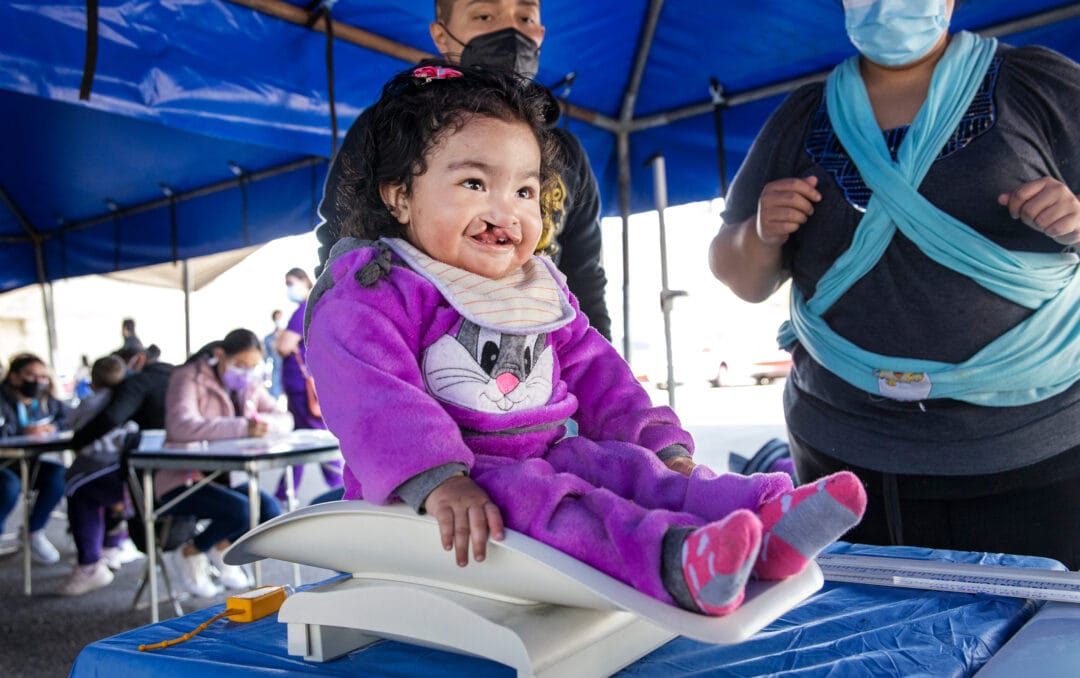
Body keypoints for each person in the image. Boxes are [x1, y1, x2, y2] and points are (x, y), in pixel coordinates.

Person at [305, 62, 865, 617]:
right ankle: (677, 560)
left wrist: (661, 445)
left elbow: (601, 375)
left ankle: (764, 518)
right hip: (454, 487)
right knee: (563, 506)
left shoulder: (536, 288)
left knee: (632, 470)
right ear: (400, 196)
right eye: (474, 182)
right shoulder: (376, 290)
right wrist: (440, 478)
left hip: (549, 453)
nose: (506, 209)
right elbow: (372, 396)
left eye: (525, 189)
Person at [709, 0, 1080, 568]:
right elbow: (741, 276)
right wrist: (760, 233)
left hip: (1036, 454)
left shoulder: (1036, 84)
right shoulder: (802, 115)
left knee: (1041, 645)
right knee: (867, 639)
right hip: (846, 457)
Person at [316, 0, 611, 342]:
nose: (510, 30)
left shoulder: (567, 153)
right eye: (485, 15)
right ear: (442, 37)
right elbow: (342, 238)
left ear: (540, 34)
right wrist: (345, 337)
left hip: (537, 355)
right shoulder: (393, 126)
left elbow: (584, 273)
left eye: (525, 17)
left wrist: (603, 368)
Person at [163, 329, 292, 596]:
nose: (246, 372)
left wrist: (264, 424)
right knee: (242, 510)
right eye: (241, 365)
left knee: (270, 512)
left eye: (253, 366)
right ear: (221, 355)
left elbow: (285, 418)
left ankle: (220, 547)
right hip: (184, 478)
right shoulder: (187, 377)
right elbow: (181, 427)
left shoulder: (249, 385)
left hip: (226, 476)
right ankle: (190, 552)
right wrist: (243, 427)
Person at [60, 355, 141, 595]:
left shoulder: (90, 402)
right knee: (106, 495)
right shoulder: (131, 399)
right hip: (129, 465)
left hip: (100, 466)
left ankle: (89, 563)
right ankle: (111, 547)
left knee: (76, 488)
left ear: (92, 381)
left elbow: (70, 424)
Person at [273, 269, 343, 503]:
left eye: (290, 282)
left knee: (315, 440)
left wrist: (280, 338)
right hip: (304, 385)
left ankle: (341, 490)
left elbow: (283, 346)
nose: (288, 288)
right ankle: (284, 493)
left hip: (302, 387)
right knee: (305, 441)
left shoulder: (303, 309)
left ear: (305, 281)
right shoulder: (316, 306)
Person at [0, 353, 70, 563]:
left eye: (42, 376)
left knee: (59, 476)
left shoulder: (45, 401)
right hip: (4, 463)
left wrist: (52, 427)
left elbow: (72, 417)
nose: (37, 381)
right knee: (8, 486)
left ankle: (33, 531)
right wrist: (23, 431)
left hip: (28, 462)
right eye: (31, 375)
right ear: (14, 377)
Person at [263, 310, 285, 400]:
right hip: (275, 373)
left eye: (280, 318)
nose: (278, 320)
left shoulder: (290, 337)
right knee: (274, 398)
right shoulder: (268, 339)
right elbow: (266, 358)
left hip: (289, 372)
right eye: (277, 318)